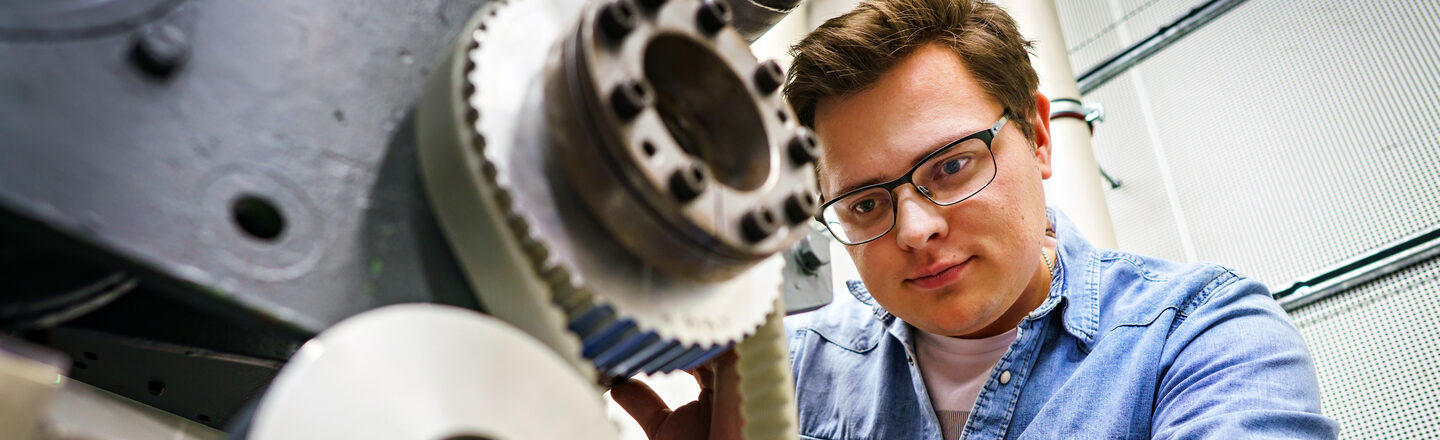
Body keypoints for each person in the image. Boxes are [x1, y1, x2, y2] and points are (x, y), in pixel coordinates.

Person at [613, 0, 1339, 438]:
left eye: (952, 165)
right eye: (865, 202)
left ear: (1041, 137)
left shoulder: (1203, 338)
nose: (915, 228)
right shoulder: (797, 373)